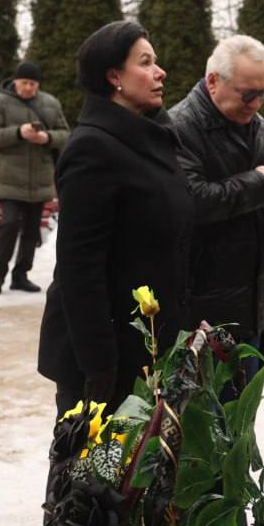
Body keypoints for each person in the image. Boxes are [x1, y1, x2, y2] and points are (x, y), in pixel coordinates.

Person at [37, 20, 193, 418]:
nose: (160, 72)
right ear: (114, 77)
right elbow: (80, 268)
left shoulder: (153, 138)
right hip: (109, 355)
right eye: (146, 62)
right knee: (96, 459)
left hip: (150, 344)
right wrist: (99, 365)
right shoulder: (92, 148)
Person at [170, 35, 264, 389]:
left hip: (249, 303)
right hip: (202, 309)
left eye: (263, 93)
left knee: (243, 412)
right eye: (248, 94)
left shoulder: (257, 125)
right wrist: (257, 184)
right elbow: (192, 202)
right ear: (213, 81)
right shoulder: (179, 128)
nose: (256, 103)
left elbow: (263, 214)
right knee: (207, 414)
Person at [0, 61, 69, 295]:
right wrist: (19, 133)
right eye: (24, 83)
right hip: (9, 178)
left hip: (39, 179)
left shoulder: (50, 103)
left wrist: (47, 138)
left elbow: (66, 135)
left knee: (31, 231)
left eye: (33, 84)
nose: (29, 88)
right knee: (9, 224)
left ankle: (21, 276)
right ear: (15, 81)